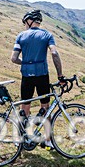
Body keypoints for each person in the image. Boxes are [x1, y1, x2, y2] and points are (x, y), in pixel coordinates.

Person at [10, 9, 66, 140]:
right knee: (45, 106)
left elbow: (13, 58)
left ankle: (21, 138)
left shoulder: (21, 36)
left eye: (25, 22)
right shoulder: (47, 35)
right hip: (42, 75)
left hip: (26, 76)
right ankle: (48, 140)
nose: (25, 25)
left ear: (30, 21)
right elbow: (54, 54)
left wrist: (26, 63)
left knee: (25, 107)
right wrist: (60, 76)